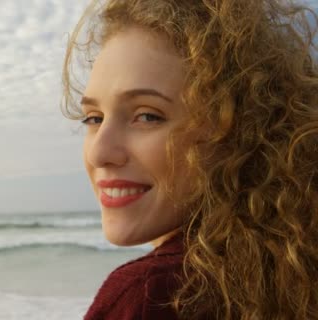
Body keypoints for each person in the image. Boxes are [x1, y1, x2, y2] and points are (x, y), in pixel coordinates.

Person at [62, 0, 318, 319]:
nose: (100, 152)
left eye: (147, 116)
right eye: (94, 118)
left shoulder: (153, 296)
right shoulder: (285, 274)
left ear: (237, 131)